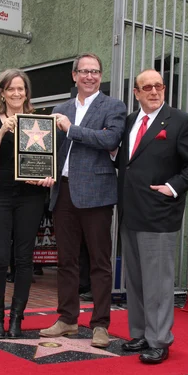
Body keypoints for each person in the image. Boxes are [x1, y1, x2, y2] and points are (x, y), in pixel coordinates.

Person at [117, 69, 188, 364]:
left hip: (159, 214)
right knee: (137, 280)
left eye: (159, 86)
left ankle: (159, 341)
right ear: (136, 93)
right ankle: (141, 332)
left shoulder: (181, 121)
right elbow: (127, 163)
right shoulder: (130, 121)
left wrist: (171, 188)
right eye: (147, 87)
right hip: (131, 212)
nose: (154, 92)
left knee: (158, 282)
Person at [39, 53, 126, 348]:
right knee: (66, 262)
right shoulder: (60, 108)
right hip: (63, 192)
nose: (90, 76)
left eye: (96, 71)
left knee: (100, 263)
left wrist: (71, 129)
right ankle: (67, 319)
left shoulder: (113, 106)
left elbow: (110, 140)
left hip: (97, 194)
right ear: (74, 75)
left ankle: (100, 324)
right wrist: (46, 171)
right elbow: (53, 150)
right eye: (85, 71)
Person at [0, 69, 51, 339]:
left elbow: (46, 162)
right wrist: (1, 130)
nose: (17, 93)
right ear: (2, 93)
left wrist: (48, 177)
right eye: (11, 89)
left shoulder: (38, 122)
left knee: (24, 259)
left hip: (31, 197)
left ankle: (17, 318)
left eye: (21, 89)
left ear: (27, 93)